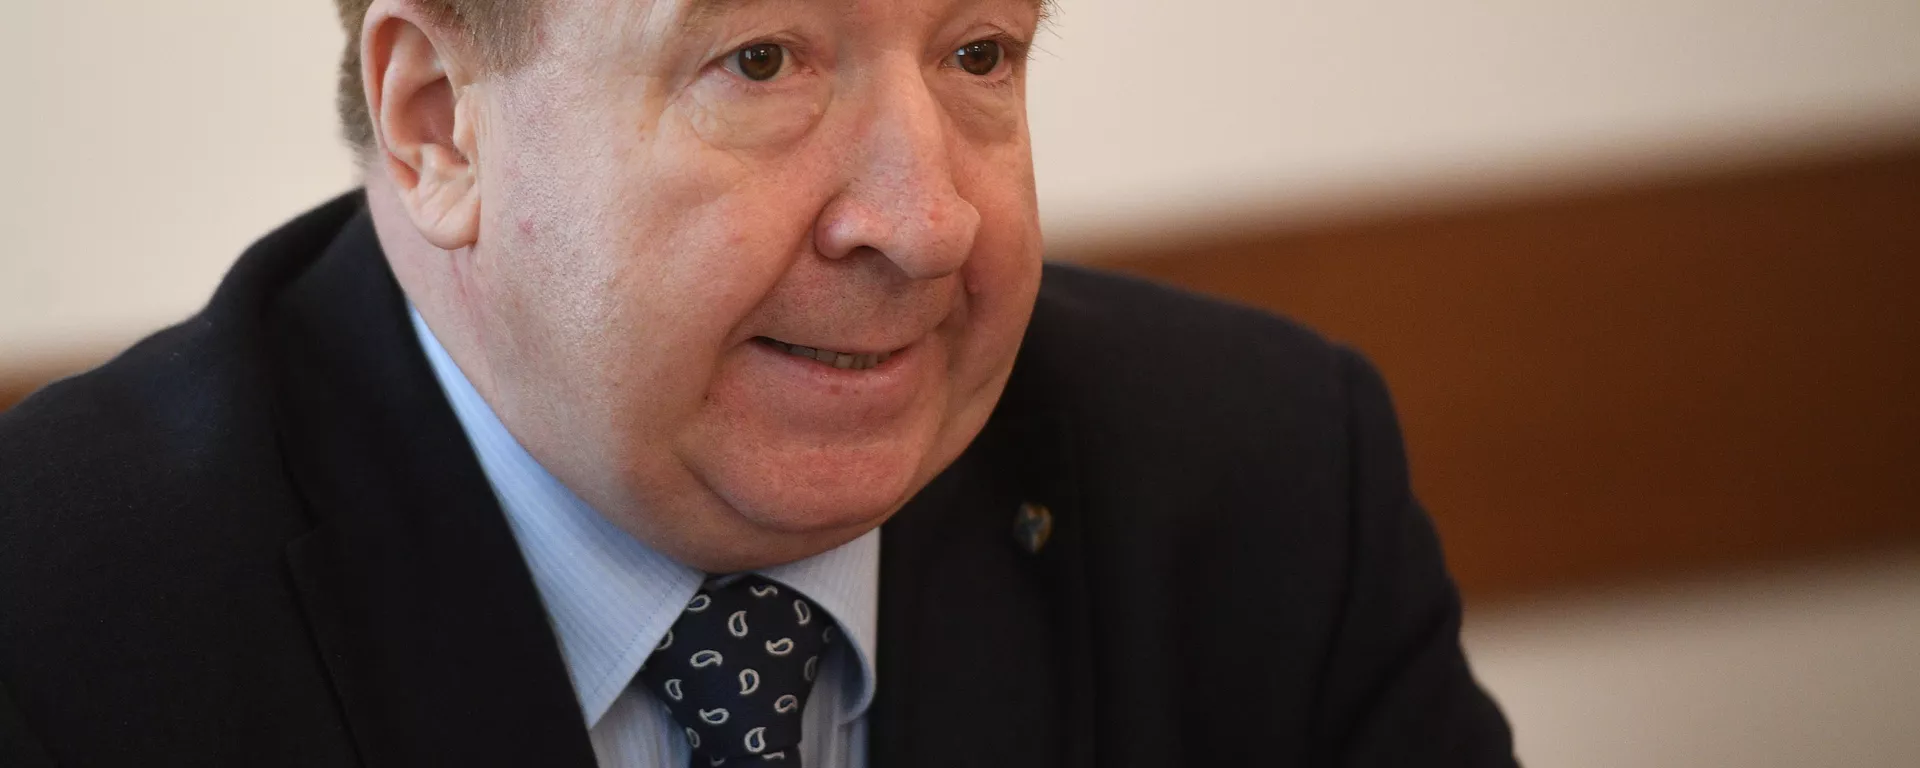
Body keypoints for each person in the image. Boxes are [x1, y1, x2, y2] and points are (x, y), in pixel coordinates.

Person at [0, 0, 1516, 765]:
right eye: (764, 59)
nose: (927, 223)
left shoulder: (1266, 490)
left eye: (980, 52)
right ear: (440, 119)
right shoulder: (57, 630)